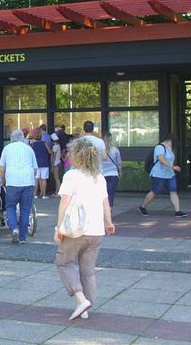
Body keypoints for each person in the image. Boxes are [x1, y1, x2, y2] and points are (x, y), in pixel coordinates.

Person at [54, 138, 115, 320]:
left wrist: (59, 227)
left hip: (77, 229)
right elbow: (105, 203)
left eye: (71, 152)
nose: (68, 154)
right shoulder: (100, 178)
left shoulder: (71, 176)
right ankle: (86, 307)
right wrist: (109, 222)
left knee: (63, 262)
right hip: (96, 230)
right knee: (87, 270)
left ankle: (81, 300)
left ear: (77, 155)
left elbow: (64, 202)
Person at [0, 129, 38, 245]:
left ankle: (14, 229)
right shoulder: (29, 149)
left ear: (11, 138)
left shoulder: (7, 149)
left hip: (12, 182)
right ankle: (22, 238)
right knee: (25, 209)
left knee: (10, 207)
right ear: (23, 138)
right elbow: (35, 169)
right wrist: (31, 178)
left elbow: (2, 168)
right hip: (28, 182)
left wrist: (3, 181)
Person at [139, 132, 187, 217]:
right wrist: (172, 167)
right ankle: (143, 207)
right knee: (155, 191)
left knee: (173, 191)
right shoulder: (159, 147)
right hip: (159, 174)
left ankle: (177, 211)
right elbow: (161, 159)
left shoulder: (169, 148)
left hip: (169, 174)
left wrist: (171, 168)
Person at [101, 131, 123, 208]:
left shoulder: (100, 150)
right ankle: (109, 209)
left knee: (101, 193)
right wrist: (120, 172)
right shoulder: (115, 150)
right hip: (113, 174)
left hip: (102, 174)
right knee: (110, 193)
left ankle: (102, 208)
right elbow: (119, 163)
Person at [31, 130, 51, 198]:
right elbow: (49, 151)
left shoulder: (33, 144)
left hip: (36, 163)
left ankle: (35, 194)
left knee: (36, 179)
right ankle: (44, 195)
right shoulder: (44, 143)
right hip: (44, 163)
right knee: (44, 179)